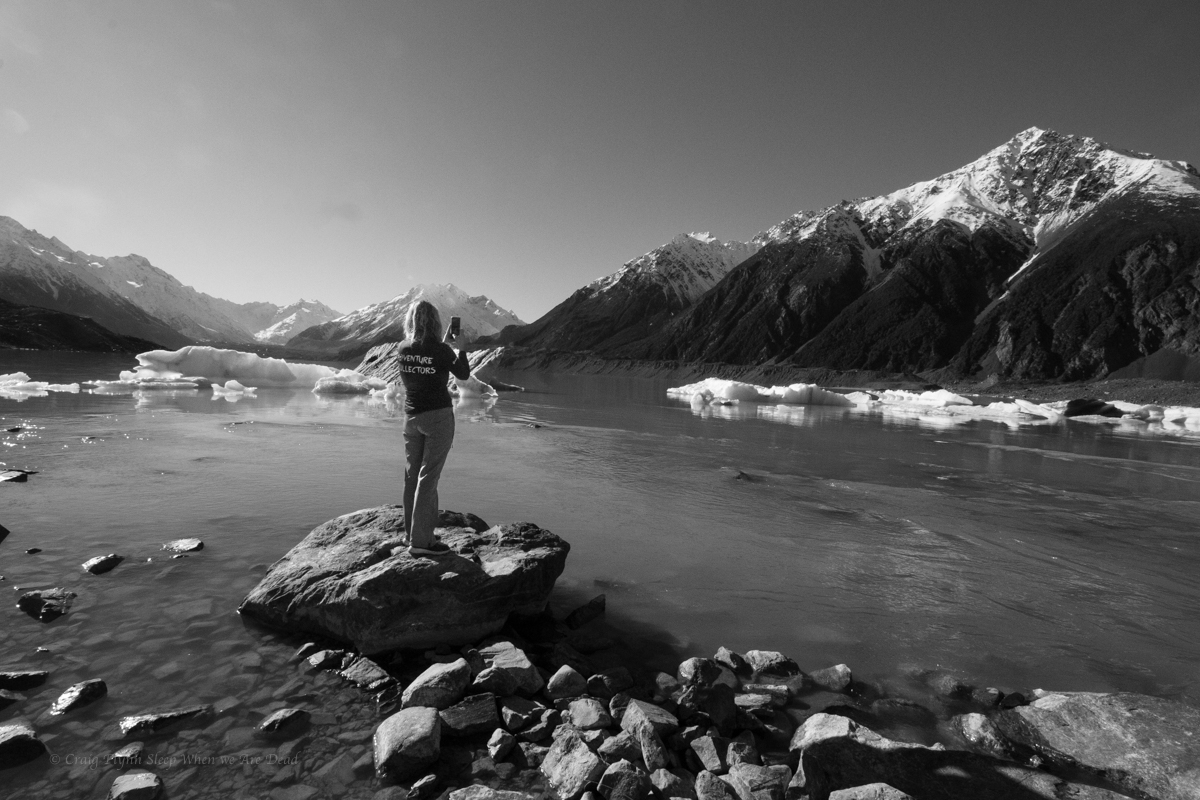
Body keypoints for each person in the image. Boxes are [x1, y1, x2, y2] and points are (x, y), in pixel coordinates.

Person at [396, 300, 471, 556]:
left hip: (411, 417)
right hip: (437, 417)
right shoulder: (442, 351)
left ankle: (411, 535)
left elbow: (425, 362)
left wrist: (444, 346)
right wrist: (461, 349)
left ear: (411, 320)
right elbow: (463, 374)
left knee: (411, 476)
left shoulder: (403, 347)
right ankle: (421, 543)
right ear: (436, 322)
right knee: (428, 478)